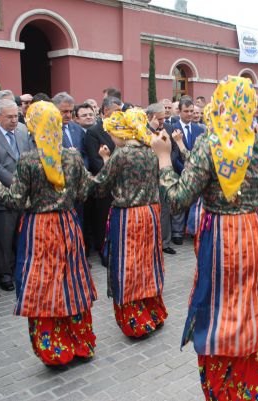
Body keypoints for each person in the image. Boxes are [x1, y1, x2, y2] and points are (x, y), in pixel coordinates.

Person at [151, 76, 258, 401]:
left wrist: (164, 159)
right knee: (257, 301)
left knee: (222, 309)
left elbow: (178, 198)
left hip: (225, 239)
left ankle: (230, 388)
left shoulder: (210, 144)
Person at [0, 101, 96, 366]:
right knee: (72, 283)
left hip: (39, 230)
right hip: (68, 226)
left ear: (32, 127)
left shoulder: (29, 160)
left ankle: (54, 351)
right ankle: (80, 343)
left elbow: (13, 201)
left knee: (44, 287)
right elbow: (84, 192)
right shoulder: (73, 156)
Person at [93, 108, 167, 338]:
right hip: (151, 213)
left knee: (129, 267)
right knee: (148, 264)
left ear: (123, 133)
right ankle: (154, 313)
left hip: (129, 217)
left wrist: (104, 161)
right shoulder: (151, 150)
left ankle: (137, 322)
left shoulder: (122, 154)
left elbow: (101, 186)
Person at [0, 99, 34, 291]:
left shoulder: (21, 130)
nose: (14, 120)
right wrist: (19, 184)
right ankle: (5, 274)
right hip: (2, 194)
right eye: (9, 117)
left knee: (23, 235)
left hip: (25, 193)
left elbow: (29, 156)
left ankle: (23, 269)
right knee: (4, 238)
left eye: (16, 116)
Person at [84, 97, 121, 264]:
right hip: (103, 184)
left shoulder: (120, 128)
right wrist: (112, 175)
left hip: (120, 185)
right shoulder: (94, 131)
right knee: (102, 219)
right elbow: (95, 160)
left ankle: (116, 249)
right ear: (106, 111)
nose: (120, 114)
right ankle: (103, 250)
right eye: (117, 111)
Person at [171, 98, 205, 245]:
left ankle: (193, 229)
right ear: (179, 111)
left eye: (192, 111)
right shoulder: (172, 127)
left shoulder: (199, 129)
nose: (190, 114)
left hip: (196, 171)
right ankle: (177, 232)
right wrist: (182, 168)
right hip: (179, 169)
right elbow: (173, 153)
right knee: (179, 201)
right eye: (186, 111)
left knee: (195, 201)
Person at [146, 102, 178, 255]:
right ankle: (151, 242)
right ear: (150, 117)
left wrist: (166, 159)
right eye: (159, 119)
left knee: (165, 209)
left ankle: (165, 242)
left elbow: (175, 149)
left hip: (165, 174)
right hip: (149, 177)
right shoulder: (144, 131)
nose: (162, 122)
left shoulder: (169, 129)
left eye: (163, 119)